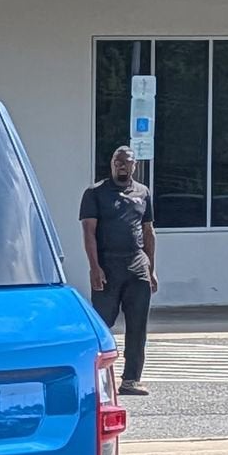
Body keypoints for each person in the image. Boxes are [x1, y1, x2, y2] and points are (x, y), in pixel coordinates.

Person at [80, 146, 156, 394]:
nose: (122, 166)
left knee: (137, 325)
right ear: (112, 164)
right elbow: (89, 232)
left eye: (126, 162)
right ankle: (95, 376)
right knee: (103, 322)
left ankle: (131, 379)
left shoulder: (143, 192)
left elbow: (148, 231)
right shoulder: (95, 193)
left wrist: (151, 268)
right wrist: (94, 267)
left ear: (134, 165)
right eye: (117, 162)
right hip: (108, 266)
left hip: (137, 266)